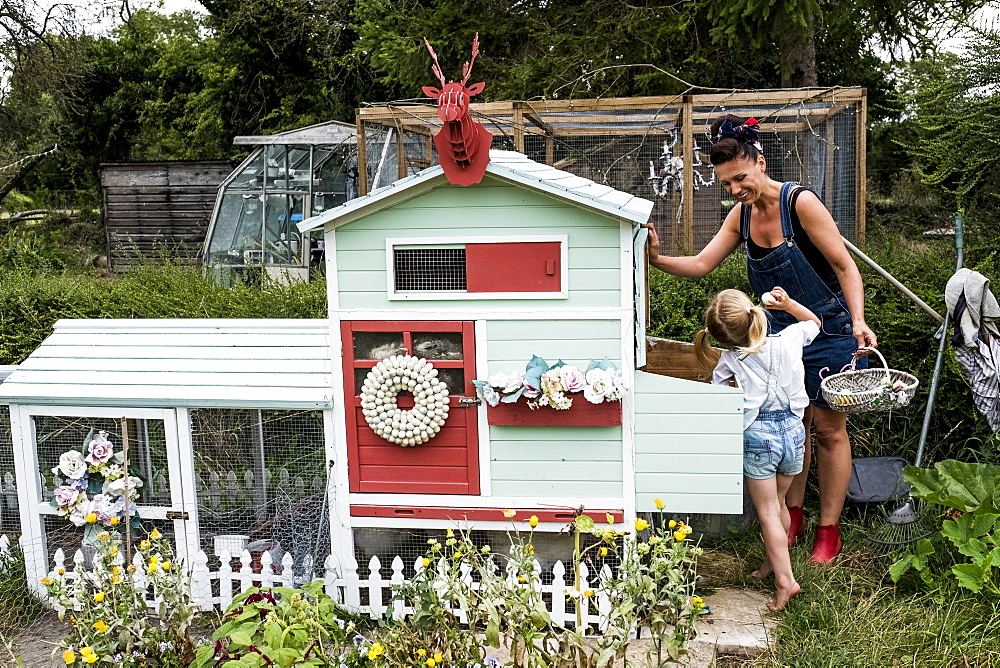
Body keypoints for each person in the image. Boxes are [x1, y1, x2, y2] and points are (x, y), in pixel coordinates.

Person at [647, 114, 877, 562]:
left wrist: (858, 321)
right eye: (726, 183)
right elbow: (700, 264)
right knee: (796, 426)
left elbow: (846, 267)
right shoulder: (741, 216)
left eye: (740, 179)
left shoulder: (800, 204)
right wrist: (657, 259)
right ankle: (793, 518)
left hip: (828, 330)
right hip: (775, 338)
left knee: (829, 429)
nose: (734, 190)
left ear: (761, 163)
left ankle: (829, 530)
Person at [695, 287, 817, 609]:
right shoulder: (788, 339)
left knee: (766, 513)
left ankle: (785, 582)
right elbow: (814, 322)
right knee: (779, 504)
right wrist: (789, 304)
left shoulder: (728, 357)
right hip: (793, 431)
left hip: (759, 434)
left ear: (722, 337)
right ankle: (771, 564)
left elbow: (716, 392)